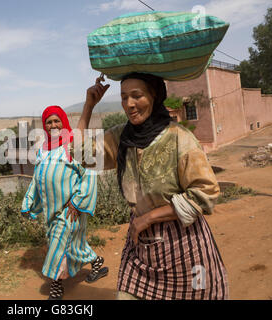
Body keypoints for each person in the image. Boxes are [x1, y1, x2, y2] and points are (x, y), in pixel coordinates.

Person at [75, 73, 229, 300]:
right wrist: (89, 104)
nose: (129, 104)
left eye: (137, 96)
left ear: (154, 96)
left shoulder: (179, 138)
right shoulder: (120, 138)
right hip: (141, 249)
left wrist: (148, 218)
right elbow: (79, 154)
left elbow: (205, 194)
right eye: (124, 97)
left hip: (185, 247)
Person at [21, 105, 108, 300]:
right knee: (72, 245)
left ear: (63, 121)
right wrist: (28, 202)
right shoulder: (43, 149)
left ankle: (55, 287)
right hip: (51, 210)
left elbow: (90, 173)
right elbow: (38, 177)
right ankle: (96, 262)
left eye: (56, 120)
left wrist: (77, 202)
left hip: (71, 209)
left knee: (58, 245)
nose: (53, 125)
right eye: (48, 122)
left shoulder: (73, 145)